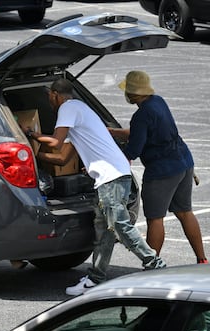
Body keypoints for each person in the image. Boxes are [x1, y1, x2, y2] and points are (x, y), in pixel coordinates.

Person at [27, 78, 166, 296]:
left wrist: (32, 136)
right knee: (104, 231)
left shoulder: (68, 108)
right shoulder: (82, 110)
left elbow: (55, 141)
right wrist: (35, 155)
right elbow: (63, 158)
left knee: (119, 226)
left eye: (50, 98)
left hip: (111, 178)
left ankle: (156, 266)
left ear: (55, 94)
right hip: (114, 176)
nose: (50, 103)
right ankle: (95, 278)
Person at [111, 70, 208, 263]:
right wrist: (112, 132)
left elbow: (134, 150)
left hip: (162, 171)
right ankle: (202, 259)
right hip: (184, 162)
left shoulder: (141, 115)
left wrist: (109, 163)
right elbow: (143, 131)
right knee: (184, 212)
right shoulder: (158, 101)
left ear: (130, 93)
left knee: (155, 218)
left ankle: (151, 265)